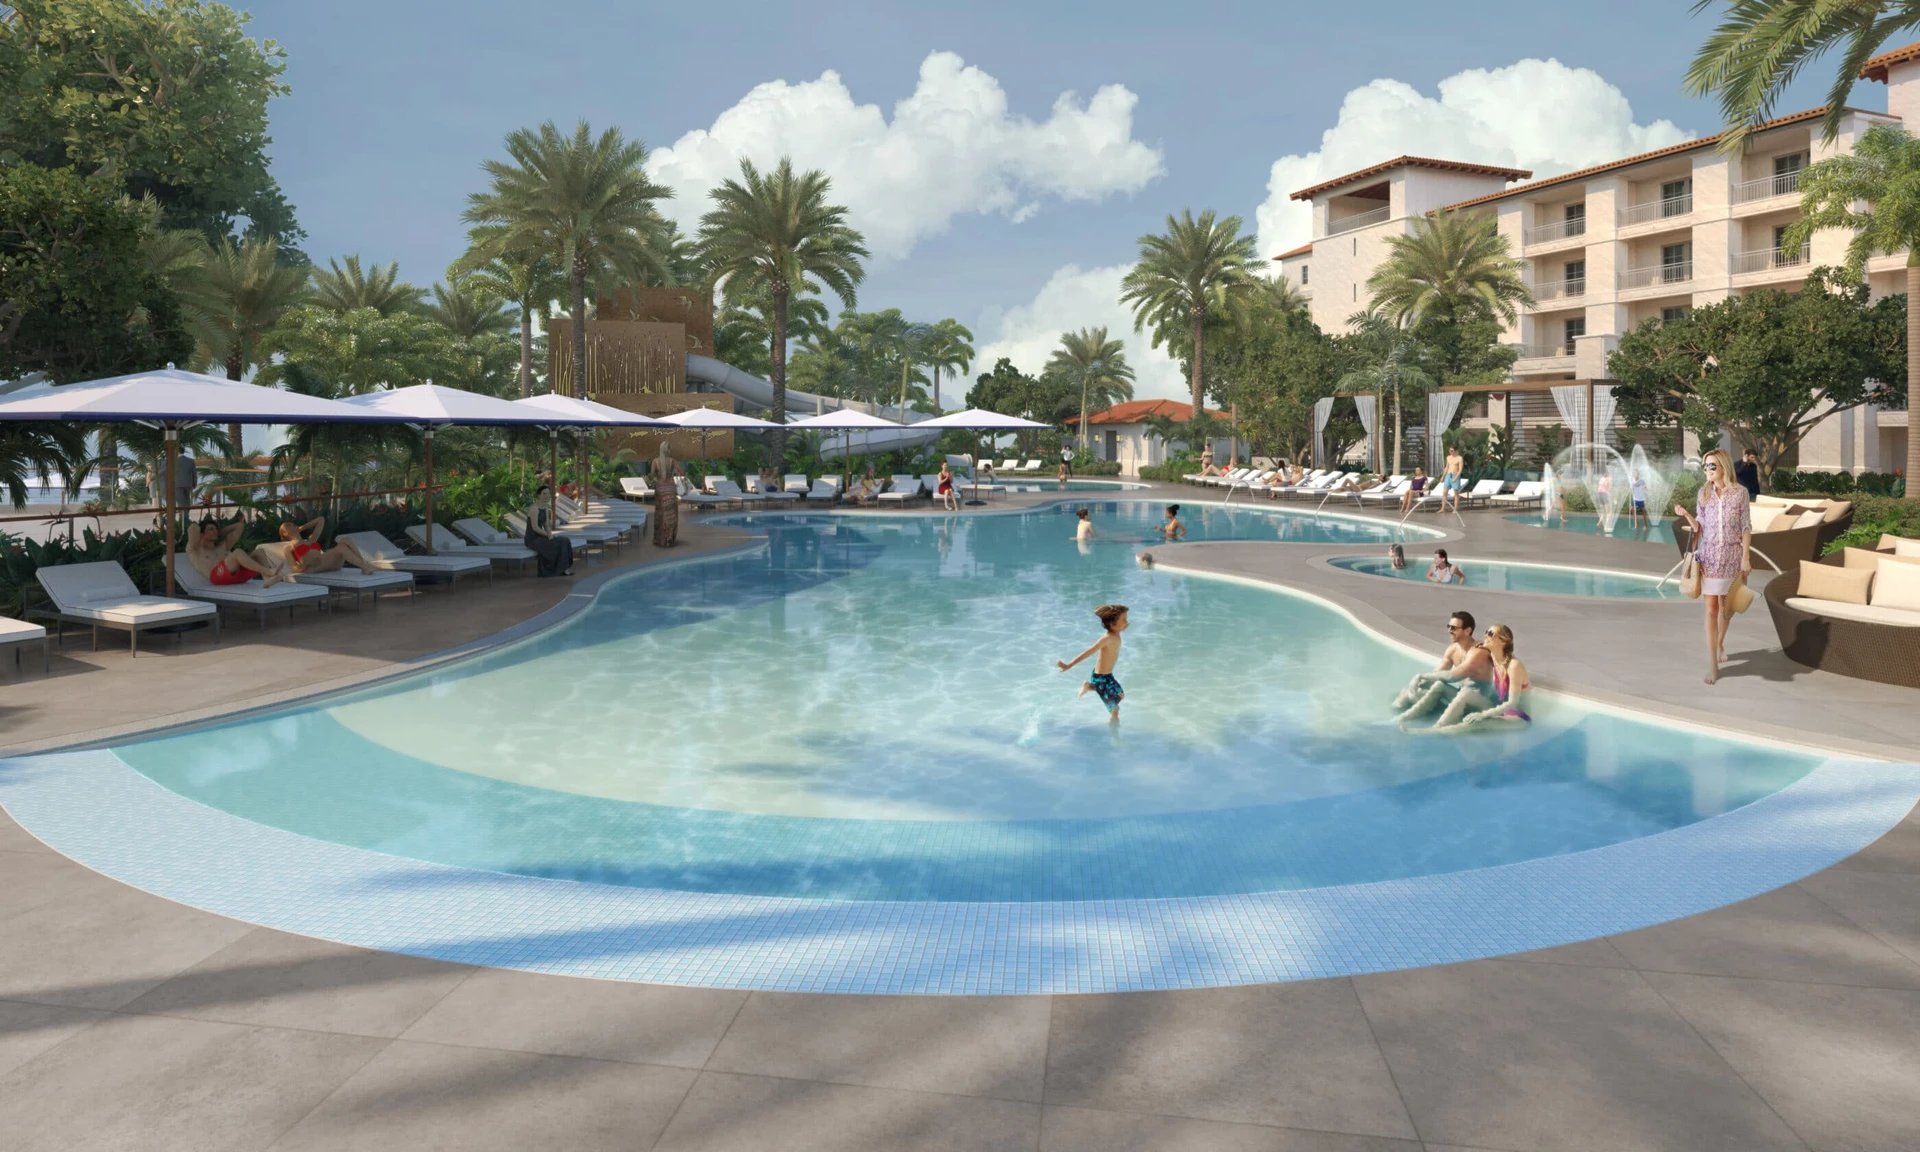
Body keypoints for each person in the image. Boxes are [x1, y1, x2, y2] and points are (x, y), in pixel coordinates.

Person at [1672, 448, 1752, 685]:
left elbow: (1746, 526)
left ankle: (1719, 644)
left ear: (1724, 467)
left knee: (1727, 608)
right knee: (1711, 609)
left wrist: (1745, 557)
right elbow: (1700, 526)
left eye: (1712, 466)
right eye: (1705, 466)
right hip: (1709, 557)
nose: (1707, 470)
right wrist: (1687, 515)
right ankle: (1712, 664)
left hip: (1732, 556)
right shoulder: (1703, 493)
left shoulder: (1740, 494)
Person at [1417, 623, 1531, 733]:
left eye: (1491, 633)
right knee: (1466, 693)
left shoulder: (1514, 666)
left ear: (1502, 641)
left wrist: (1482, 715)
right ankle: (1438, 727)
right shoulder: (1494, 658)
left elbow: (1512, 703)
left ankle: (1436, 733)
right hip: (1499, 710)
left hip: (1517, 717)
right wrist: (1477, 647)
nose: (1485, 635)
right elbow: (1474, 654)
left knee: (1475, 723)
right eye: (1486, 632)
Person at [1392, 611, 1497, 724]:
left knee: (1439, 686)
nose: (1449, 631)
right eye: (1449, 626)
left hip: (1479, 702)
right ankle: (1396, 712)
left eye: (1454, 628)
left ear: (1467, 631)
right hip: (1461, 698)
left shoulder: (1479, 651)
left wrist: (1421, 676)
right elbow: (1438, 672)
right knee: (1417, 689)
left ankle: (1406, 718)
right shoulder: (1453, 649)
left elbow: (1454, 676)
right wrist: (1419, 684)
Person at [1057, 603, 1129, 720]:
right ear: (1112, 623)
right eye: (1124, 620)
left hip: (1108, 676)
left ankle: (1089, 686)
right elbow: (1088, 652)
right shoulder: (1106, 639)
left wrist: (1122, 621)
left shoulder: (1116, 633)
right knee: (1115, 710)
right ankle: (1114, 733)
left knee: (1120, 695)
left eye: (1126, 619)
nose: (1126, 622)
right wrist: (1068, 665)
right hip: (1100, 678)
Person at [186, 516, 285, 587]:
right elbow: (193, 527)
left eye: (216, 529)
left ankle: (267, 578)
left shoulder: (223, 546)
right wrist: (200, 531)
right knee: (237, 552)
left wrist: (221, 531)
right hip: (217, 577)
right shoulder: (195, 549)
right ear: (202, 534)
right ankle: (268, 571)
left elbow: (239, 526)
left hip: (237, 576)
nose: (214, 531)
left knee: (259, 552)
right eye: (211, 529)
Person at [272, 515, 371, 574]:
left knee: (346, 540)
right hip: (314, 567)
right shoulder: (289, 548)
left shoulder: (311, 539)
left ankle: (364, 565)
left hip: (327, 563)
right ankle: (365, 567)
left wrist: (303, 527)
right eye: (287, 526)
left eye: (291, 523)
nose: (291, 524)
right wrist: (306, 564)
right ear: (285, 533)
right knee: (341, 547)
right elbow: (294, 568)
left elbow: (321, 519)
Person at [524, 484, 575, 577]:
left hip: (541, 535)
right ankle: (555, 570)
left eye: (548, 493)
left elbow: (546, 525)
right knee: (559, 543)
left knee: (565, 540)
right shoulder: (534, 508)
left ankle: (563, 568)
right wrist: (548, 535)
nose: (547, 495)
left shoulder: (546, 508)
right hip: (532, 538)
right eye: (544, 493)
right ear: (539, 495)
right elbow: (535, 527)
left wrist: (550, 534)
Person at [1438, 446, 1465, 514]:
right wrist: (1442, 477)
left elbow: (1460, 469)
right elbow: (1446, 467)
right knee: (1444, 492)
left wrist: (1456, 478)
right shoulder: (1448, 457)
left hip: (1455, 475)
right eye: (1450, 451)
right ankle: (1443, 508)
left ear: (1456, 451)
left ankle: (1455, 508)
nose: (1450, 452)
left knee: (1456, 493)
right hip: (1448, 475)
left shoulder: (1459, 458)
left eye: (1452, 451)